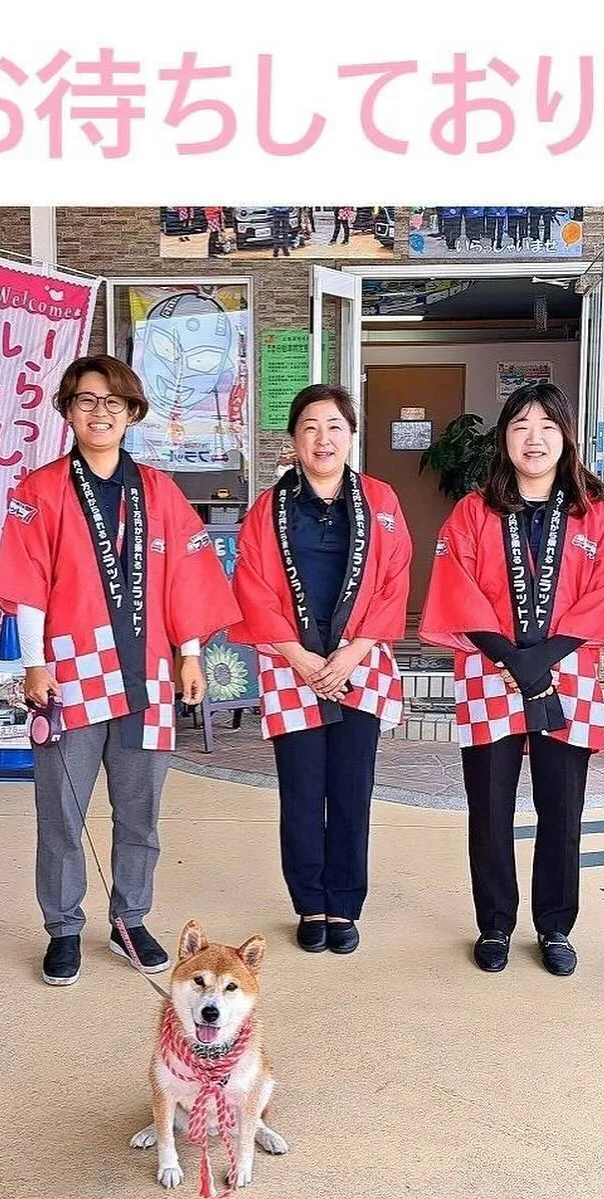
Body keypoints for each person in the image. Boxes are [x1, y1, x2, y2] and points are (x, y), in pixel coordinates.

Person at [0, 354, 240, 987]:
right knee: (62, 813)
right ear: (67, 411)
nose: (99, 412)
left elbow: (187, 577)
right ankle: (64, 929)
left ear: (132, 413)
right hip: (67, 673)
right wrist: (33, 663)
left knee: (140, 814)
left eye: (112, 402)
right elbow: (27, 588)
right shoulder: (38, 491)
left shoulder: (158, 491)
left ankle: (130, 918)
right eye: (85, 400)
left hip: (149, 673)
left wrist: (190, 655)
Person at [420, 383, 604, 976]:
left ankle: (555, 926)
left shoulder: (594, 514)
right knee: (489, 809)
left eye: (547, 426)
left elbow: (603, 593)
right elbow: (456, 589)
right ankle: (495, 924)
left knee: (563, 810)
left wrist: (540, 660)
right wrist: (513, 660)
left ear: (566, 437)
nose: (534, 438)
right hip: (490, 674)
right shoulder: (473, 511)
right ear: (504, 438)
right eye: (520, 426)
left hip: (568, 677)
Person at [230, 384, 412, 955]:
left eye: (335, 426)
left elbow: (393, 582)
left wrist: (349, 656)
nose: (323, 438)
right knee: (303, 791)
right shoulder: (269, 508)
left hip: (360, 662)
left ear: (352, 436)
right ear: (293, 441)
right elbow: (252, 587)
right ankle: (311, 904)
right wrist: (303, 659)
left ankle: (344, 905)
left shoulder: (381, 502)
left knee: (352, 789)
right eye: (309, 426)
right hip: (292, 667)